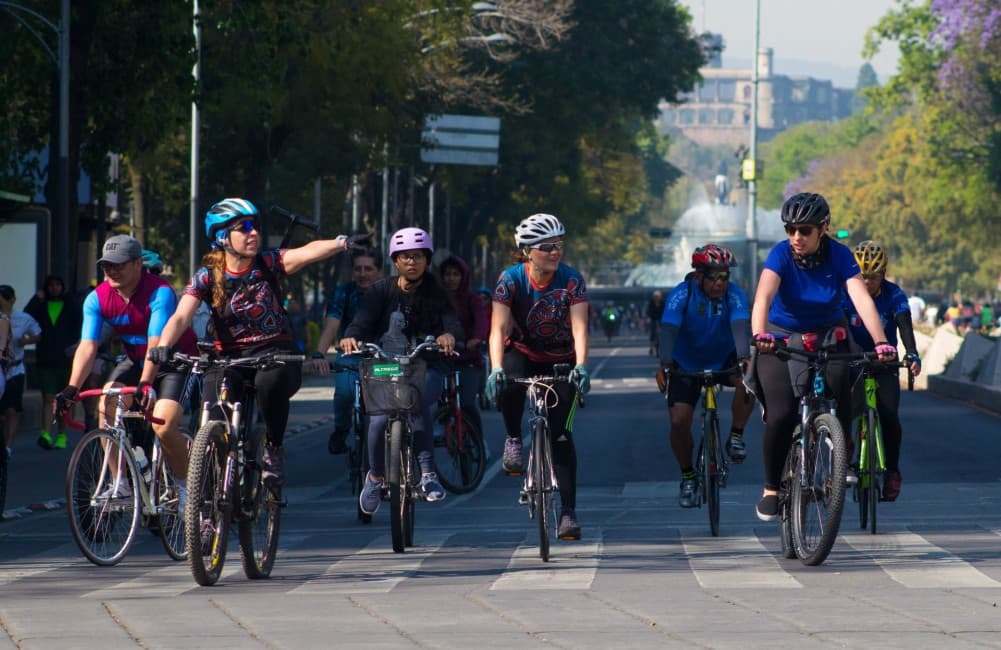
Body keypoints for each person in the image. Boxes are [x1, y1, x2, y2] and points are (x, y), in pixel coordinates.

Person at [150, 198, 367, 491]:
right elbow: (180, 316)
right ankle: (211, 496)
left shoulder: (268, 263)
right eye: (244, 228)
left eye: (256, 227)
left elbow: (307, 252)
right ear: (222, 236)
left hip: (275, 353)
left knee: (268, 383)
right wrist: (164, 345)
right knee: (212, 420)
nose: (254, 233)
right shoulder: (206, 276)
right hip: (227, 358)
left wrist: (341, 243)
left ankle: (273, 448)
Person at [749, 193, 896, 522]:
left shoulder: (840, 256)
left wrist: (881, 341)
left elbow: (861, 298)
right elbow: (763, 297)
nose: (796, 237)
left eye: (804, 230)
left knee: (842, 384)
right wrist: (760, 335)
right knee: (781, 414)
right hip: (780, 337)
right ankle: (771, 488)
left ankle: (840, 460)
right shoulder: (780, 254)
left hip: (828, 333)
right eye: (790, 229)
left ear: (823, 228)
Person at [53, 235, 200, 501]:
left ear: (137, 264)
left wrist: (146, 383)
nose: (112, 271)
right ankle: (119, 481)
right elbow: (88, 346)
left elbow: (156, 342)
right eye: (107, 265)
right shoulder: (96, 298)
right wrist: (72, 388)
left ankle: (184, 486)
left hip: (174, 362)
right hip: (135, 361)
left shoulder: (160, 291)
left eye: (119, 264)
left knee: (164, 425)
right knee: (108, 399)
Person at [340, 227, 462, 514]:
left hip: (425, 366)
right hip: (385, 365)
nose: (412, 262)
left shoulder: (437, 292)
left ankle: (428, 475)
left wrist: (449, 335)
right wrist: (350, 336)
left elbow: (452, 324)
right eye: (405, 257)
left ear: (426, 260)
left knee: (415, 402)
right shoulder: (380, 291)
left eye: (418, 256)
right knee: (378, 419)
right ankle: (374, 478)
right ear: (395, 260)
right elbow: (361, 322)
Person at [485, 213, 591, 541]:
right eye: (546, 247)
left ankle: (568, 512)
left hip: (561, 360)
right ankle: (513, 438)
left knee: (561, 436)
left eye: (558, 245)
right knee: (509, 381)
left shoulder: (572, 280)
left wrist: (581, 366)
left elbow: (580, 328)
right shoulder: (511, 279)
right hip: (523, 353)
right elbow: (497, 328)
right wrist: (495, 368)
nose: (555, 252)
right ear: (527, 252)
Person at [654, 245, 755, 508]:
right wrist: (665, 363)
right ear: (698, 275)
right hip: (686, 363)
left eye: (725, 276)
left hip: (723, 358)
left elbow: (740, 325)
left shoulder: (734, 294)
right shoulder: (682, 293)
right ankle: (688, 476)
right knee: (679, 421)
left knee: (750, 380)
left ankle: (736, 436)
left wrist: (744, 356)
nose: (720, 283)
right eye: (713, 277)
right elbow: (668, 329)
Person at [843, 241, 922, 501]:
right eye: (862, 276)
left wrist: (912, 353)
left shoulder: (894, 293)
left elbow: (904, 324)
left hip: (885, 361)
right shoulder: (845, 292)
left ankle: (892, 471)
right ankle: (844, 455)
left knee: (889, 416)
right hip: (853, 358)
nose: (867, 282)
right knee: (845, 410)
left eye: (873, 277)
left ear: (883, 274)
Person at [311, 245, 384, 454]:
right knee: (344, 395)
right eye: (358, 269)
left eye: (368, 269)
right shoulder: (343, 292)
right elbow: (331, 325)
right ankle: (341, 431)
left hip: (384, 358)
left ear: (379, 271)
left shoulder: (389, 291)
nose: (362, 274)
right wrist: (319, 353)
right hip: (350, 356)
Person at [25, 275, 82, 450]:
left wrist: (73, 347)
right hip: (45, 358)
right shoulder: (41, 306)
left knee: (63, 399)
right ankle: (46, 433)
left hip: (65, 359)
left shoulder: (71, 305)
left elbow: (79, 325)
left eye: (58, 284)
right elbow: (27, 315)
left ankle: (62, 435)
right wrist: (37, 298)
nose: (54, 288)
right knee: (48, 397)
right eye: (51, 285)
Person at [437, 253, 489, 434]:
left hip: (468, 359)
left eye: (455, 274)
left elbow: (481, 321)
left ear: (463, 276)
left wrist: (476, 339)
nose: (451, 278)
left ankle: (478, 440)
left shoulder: (472, 299)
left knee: (466, 403)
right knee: (438, 401)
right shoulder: (435, 299)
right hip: (441, 359)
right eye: (447, 274)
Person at [0, 285, 42, 458]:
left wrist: (26, 341)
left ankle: (8, 447)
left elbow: (38, 334)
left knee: (11, 410)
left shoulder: (23, 318)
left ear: (12, 300)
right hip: (1, 369)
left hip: (14, 369)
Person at [646, 290, 665, 356]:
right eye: (655, 296)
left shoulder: (662, 303)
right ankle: (651, 347)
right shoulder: (651, 303)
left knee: (662, 333)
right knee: (653, 333)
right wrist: (649, 317)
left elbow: (665, 311)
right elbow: (649, 311)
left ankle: (661, 348)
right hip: (653, 319)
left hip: (661, 319)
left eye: (658, 296)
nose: (657, 298)